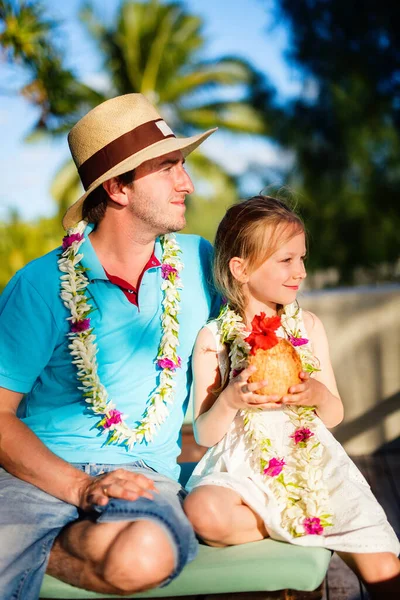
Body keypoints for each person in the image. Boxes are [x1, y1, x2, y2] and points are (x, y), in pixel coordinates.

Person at [0, 93, 220, 600]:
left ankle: (42, 551)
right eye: (169, 168)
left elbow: (256, 321)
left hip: (142, 478)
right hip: (35, 473)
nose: (186, 183)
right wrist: (79, 488)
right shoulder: (40, 284)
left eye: (182, 166)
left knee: (144, 554)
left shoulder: (199, 263)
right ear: (119, 188)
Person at [183, 195, 400, 599]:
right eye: (286, 260)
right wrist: (230, 399)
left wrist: (315, 391)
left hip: (309, 464)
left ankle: (304, 517)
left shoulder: (309, 326)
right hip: (244, 470)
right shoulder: (214, 339)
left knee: (385, 570)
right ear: (241, 268)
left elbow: (333, 414)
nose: (300, 271)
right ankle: (306, 524)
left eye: (302, 258)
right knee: (202, 513)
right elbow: (204, 434)